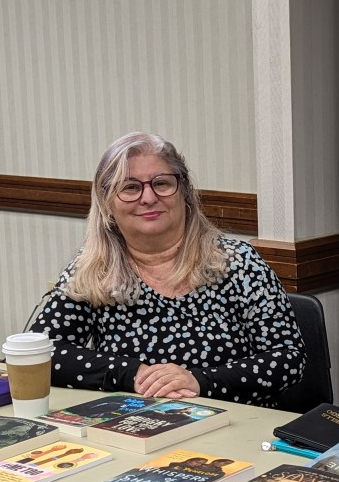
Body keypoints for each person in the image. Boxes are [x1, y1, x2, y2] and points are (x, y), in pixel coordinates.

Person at [30, 132, 305, 408]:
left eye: (161, 183)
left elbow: (288, 358)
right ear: (107, 203)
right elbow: (39, 352)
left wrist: (200, 381)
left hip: (237, 422)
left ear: (185, 192)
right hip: (135, 422)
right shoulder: (94, 268)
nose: (148, 198)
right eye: (130, 187)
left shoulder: (239, 262)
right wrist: (132, 374)